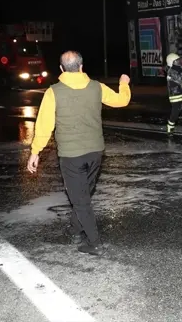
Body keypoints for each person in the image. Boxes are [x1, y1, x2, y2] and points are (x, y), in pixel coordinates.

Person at [26, 51, 131, 256]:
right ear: (82, 67)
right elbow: (121, 101)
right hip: (95, 152)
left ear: (61, 69)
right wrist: (124, 83)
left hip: (71, 155)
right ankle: (75, 229)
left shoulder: (53, 92)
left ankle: (94, 242)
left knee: (80, 199)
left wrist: (35, 152)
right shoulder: (97, 87)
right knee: (82, 194)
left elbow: (44, 125)